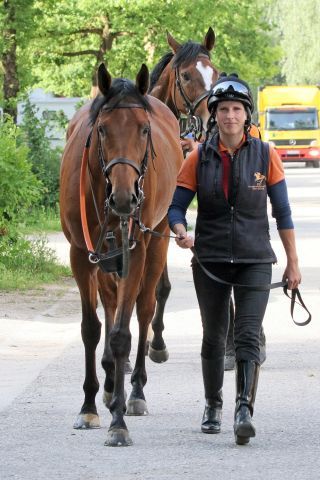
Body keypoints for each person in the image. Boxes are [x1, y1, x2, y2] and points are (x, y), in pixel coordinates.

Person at [168, 73, 301, 445]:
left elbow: (284, 213)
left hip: (255, 258)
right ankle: (213, 404)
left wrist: (293, 262)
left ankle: (244, 409)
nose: (230, 116)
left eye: (236, 109)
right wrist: (180, 231)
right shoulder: (197, 157)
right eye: (223, 109)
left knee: (247, 335)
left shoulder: (266, 154)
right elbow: (175, 208)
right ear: (214, 114)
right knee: (214, 336)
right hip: (209, 257)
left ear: (247, 115)